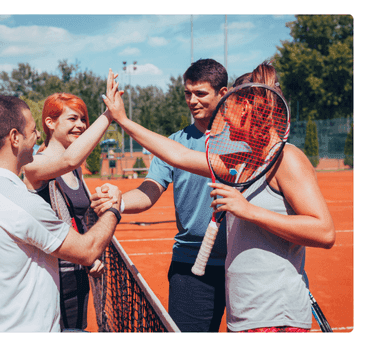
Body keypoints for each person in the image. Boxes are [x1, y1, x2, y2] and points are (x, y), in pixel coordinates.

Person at [100, 62, 336, 332]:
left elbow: (325, 232)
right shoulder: (245, 162)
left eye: (227, 105)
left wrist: (247, 209)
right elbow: (178, 155)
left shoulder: (287, 158)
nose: (221, 114)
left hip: (275, 317)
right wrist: (123, 121)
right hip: (245, 316)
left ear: (246, 108)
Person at [0, 95, 122, 332]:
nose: (37, 137)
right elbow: (87, 251)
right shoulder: (23, 204)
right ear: (15, 137)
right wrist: (114, 208)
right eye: (33, 130)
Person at [95, 59, 229, 332]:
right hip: (190, 264)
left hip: (240, 262)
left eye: (200, 93)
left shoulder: (243, 139)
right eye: (187, 93)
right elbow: (149, 191)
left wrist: (123, 120)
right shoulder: (174, 142)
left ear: (222, 93)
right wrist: (119, 200)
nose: (192, 101)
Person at [22, 87, 113, 331]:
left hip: (77, 274)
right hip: (49, 278)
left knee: (74, 332)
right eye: (72, 118)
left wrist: (89, 254)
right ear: (50, 122)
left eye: (83, 119)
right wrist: (110, 114)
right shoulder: (34, 165)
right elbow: (68, 159)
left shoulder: (75, 170)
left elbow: (78, 219)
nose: (81, 125)